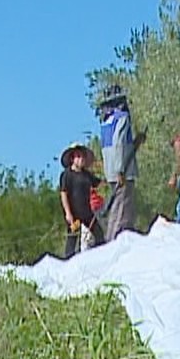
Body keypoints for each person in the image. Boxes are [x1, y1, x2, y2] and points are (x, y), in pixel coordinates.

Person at [97, 84, 145, 240]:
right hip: (123, 171)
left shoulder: (105, 122)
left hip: (111, 170)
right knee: (123, 209)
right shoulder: (122, 118)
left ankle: (114, 237)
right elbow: (119, 143)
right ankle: (115, 240)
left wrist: (136, 142)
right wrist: (120, 170)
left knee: (117, 206)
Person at [57, 144, 100, 258]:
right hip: (74, 215)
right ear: (72, 158)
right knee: (72, 239)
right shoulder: (66, 175)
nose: (81, 159)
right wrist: (68, 213)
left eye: (83, 156)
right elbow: (63, 194)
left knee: (99, 235)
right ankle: (68, 263)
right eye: (78, 156)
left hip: (87, 213)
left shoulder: (87, 175)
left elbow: (99, 184)